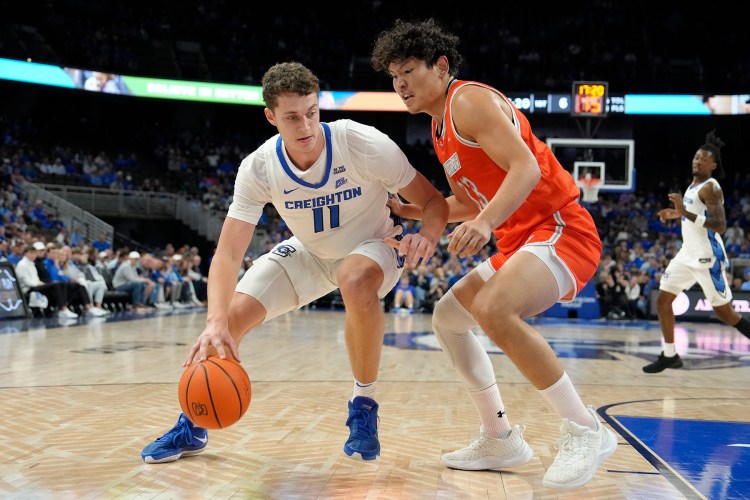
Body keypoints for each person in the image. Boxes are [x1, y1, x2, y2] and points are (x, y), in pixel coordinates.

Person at [141, 62, 449, 464]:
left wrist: (426, 236)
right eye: (291, 117)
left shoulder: (360, 142)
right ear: (271, 117)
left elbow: (433, 202)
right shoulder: (259, 167)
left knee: (353, 278)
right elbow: (229, 253)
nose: (305, 126)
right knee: (227, 321)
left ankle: (363, 406)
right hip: (309, 251)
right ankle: (194, 422)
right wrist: (213, 320)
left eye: (311, 112)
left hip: (375, 246)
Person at [371, 18, 616, 489]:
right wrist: (412, 208)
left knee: (493, 309)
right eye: (393, 77)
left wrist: (484, 223)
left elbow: (523, 167)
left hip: (561, 228)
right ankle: (499, 434)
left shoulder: (468, 101)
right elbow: (474, 198)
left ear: (441, 67)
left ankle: (584, 427)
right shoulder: (441, 125)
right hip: (523, 240)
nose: (400, 84)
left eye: (408, 71)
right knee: (447, 317)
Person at [643, 130, 750, 374]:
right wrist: (676, 213)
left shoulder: (711, 188)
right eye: (695, 157)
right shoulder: (693, 185)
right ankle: (670, 355)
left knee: (725, 314)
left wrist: (683, 211)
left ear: (713, 165)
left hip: (706, 257)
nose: (697, 161)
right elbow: (691, 215)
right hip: (686, 254)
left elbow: (719, 225)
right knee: (662, 301)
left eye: (703, 159)